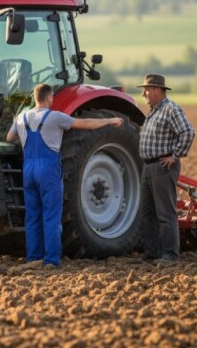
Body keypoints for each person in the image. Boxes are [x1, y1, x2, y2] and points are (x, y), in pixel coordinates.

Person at [6, 83, 124, 267]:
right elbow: (85, 124)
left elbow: (9, 138)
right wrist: (109, 121)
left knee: (32, 216)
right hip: (48, 170)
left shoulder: (22, 117)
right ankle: (51, 260)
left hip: (29, 169)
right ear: (49, 98)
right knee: (51, 216)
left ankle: (33, 258)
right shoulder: (55, 117)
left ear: (35, 98)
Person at [137, 74, 196, 262]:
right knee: (146, 213)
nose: (144, 93)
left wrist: (175, 156)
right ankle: (151, 252)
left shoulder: (170, 109)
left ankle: (170, 254)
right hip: (148, 167)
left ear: (157, 90)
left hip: (162, 167)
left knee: (165, 213)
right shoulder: (154, 111)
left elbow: (187, 132)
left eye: (147, 89)